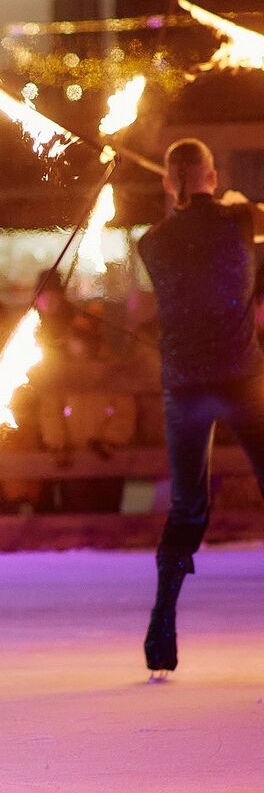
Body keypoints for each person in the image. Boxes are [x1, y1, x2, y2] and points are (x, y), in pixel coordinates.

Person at [136, 138, 264, 674]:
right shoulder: (243, 220)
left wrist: (201, 200)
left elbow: (190, 228)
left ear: (169, 184)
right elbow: (244, 224)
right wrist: (231, 203)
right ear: (212, 176)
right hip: (242, 379)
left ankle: (161, 629)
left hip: (186, 385)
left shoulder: (150, 242)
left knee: (187, 506)